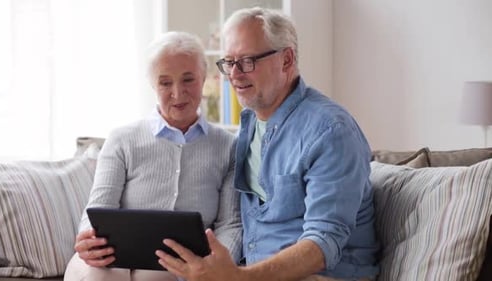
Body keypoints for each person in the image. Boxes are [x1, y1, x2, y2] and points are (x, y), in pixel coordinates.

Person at [155, 7, 379, 281]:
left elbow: (322, 243)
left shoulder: (331, 131)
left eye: (247, 61)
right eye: (229, 62)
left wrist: (239, 277)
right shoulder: (248, 126)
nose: (234, 74)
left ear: (286, 60)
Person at [63, 31, 242, 281]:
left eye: (188, 79)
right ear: (152, 85)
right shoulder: (122, 139)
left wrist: (215, 265)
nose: (178, 94)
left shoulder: (229, 146)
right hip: (112, 260)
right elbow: (98, 208)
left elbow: (230, 225)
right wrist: (89, 238)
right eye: (165, 83)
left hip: (177, 265)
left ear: (204, 78)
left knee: (158, 278)